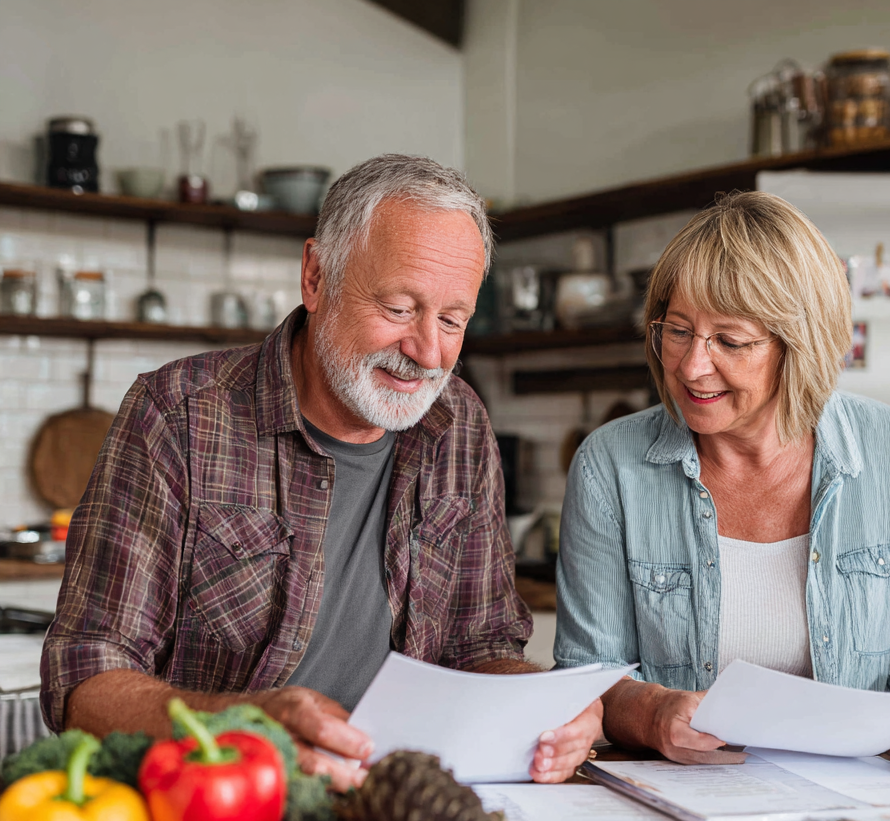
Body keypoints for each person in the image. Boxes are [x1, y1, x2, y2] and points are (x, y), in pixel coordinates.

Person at [42, 154, 602, 788]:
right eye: (397, 308)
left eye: (452, 321)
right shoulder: (178, 417)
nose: (427, 352)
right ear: (316, 276)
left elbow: (481, 646)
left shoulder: (460, 423)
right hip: (217, 803)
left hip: (397, 799)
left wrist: (546, 707)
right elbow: (84, 679)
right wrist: (247, 724)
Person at [555, 190, 890, 780]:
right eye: (678, 331)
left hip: (855, 800)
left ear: (799, 345)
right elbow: (587, 675)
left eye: (731, 342)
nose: (692, 365)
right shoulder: (610, 465)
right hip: (681, 800)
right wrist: (650, 711)